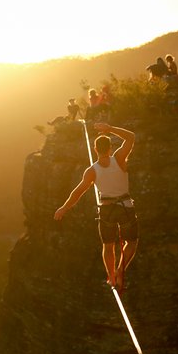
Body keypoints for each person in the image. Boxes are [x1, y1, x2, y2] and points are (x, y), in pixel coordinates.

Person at [54, 123, 137, 290]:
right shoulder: (119, 159)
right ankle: (121, 270)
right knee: (132, 242)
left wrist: (64, 208)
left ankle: (112, 277)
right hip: (125, 206)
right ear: (110, 147)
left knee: (108, 246)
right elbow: (131, 137)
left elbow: (77, 193)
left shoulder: (92, 171)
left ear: (95, 149)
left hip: (107, 210)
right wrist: (110, 128)